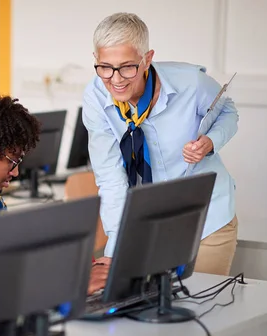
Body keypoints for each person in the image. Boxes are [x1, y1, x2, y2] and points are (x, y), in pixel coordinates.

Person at [83, 13, 239, 276]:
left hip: (207, 218)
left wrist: (211, 142)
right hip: (150, 224)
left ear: (147, 59)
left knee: (205, 309)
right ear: (96, 61)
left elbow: (228, 113)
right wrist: (116, 249)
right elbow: (110, 178)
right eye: (105, 67)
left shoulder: (190, 82)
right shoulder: (95, 98)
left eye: (127, 67)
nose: (116, 79)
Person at [0, 88, 110, 296]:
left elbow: (10, 259)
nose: (15, 172)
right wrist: (67, 282)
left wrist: (70, 266)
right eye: (12, 161)